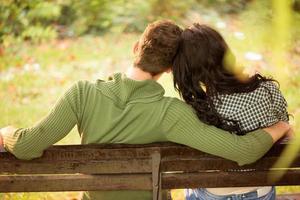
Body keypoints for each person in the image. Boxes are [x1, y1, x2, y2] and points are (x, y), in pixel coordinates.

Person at [0, 20, 290, 200]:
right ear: (169, 68)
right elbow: (243, 151)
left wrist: (6, 133)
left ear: (135, 47)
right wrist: (280, 126)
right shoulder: (173, 114)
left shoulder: (81, 94)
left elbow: (26, 146)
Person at [172, 23, 292, 200]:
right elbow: (284, 131)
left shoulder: (196, 111)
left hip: (211, 194)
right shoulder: (267, 91)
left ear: (188, 68)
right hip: (260, 192)